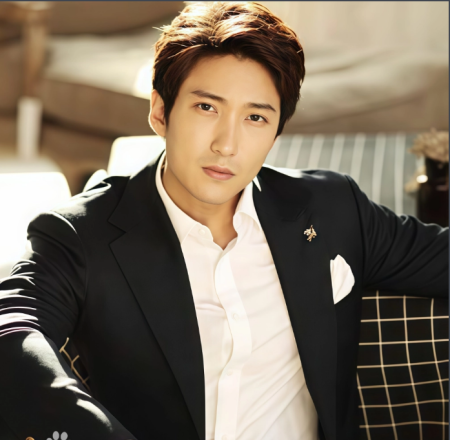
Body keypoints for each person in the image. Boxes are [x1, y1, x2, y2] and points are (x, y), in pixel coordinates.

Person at [0, 2, 447, 440]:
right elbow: (12, 330)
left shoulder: (331, 208)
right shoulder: (81, 234)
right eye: (206, 108)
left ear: (277, 131)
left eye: (255, 117)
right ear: (160, 111)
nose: (227, 145)